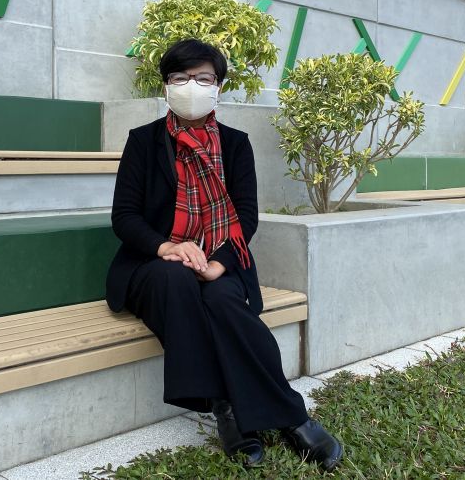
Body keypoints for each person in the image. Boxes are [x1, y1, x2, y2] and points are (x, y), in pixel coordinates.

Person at [105, 38, 343, 469]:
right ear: (165, 87)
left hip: (222, 257)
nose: (191, 86)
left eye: (203, 78)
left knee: (222, 301)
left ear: (218, 87)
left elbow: (246, 216)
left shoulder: (235, 144)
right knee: (175, 280)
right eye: (180, 78)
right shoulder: (143, 141)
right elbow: (124, 216)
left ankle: (263, 413)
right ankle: (236, 407)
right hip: (154, 264)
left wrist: (217, 265)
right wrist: (169, 248)